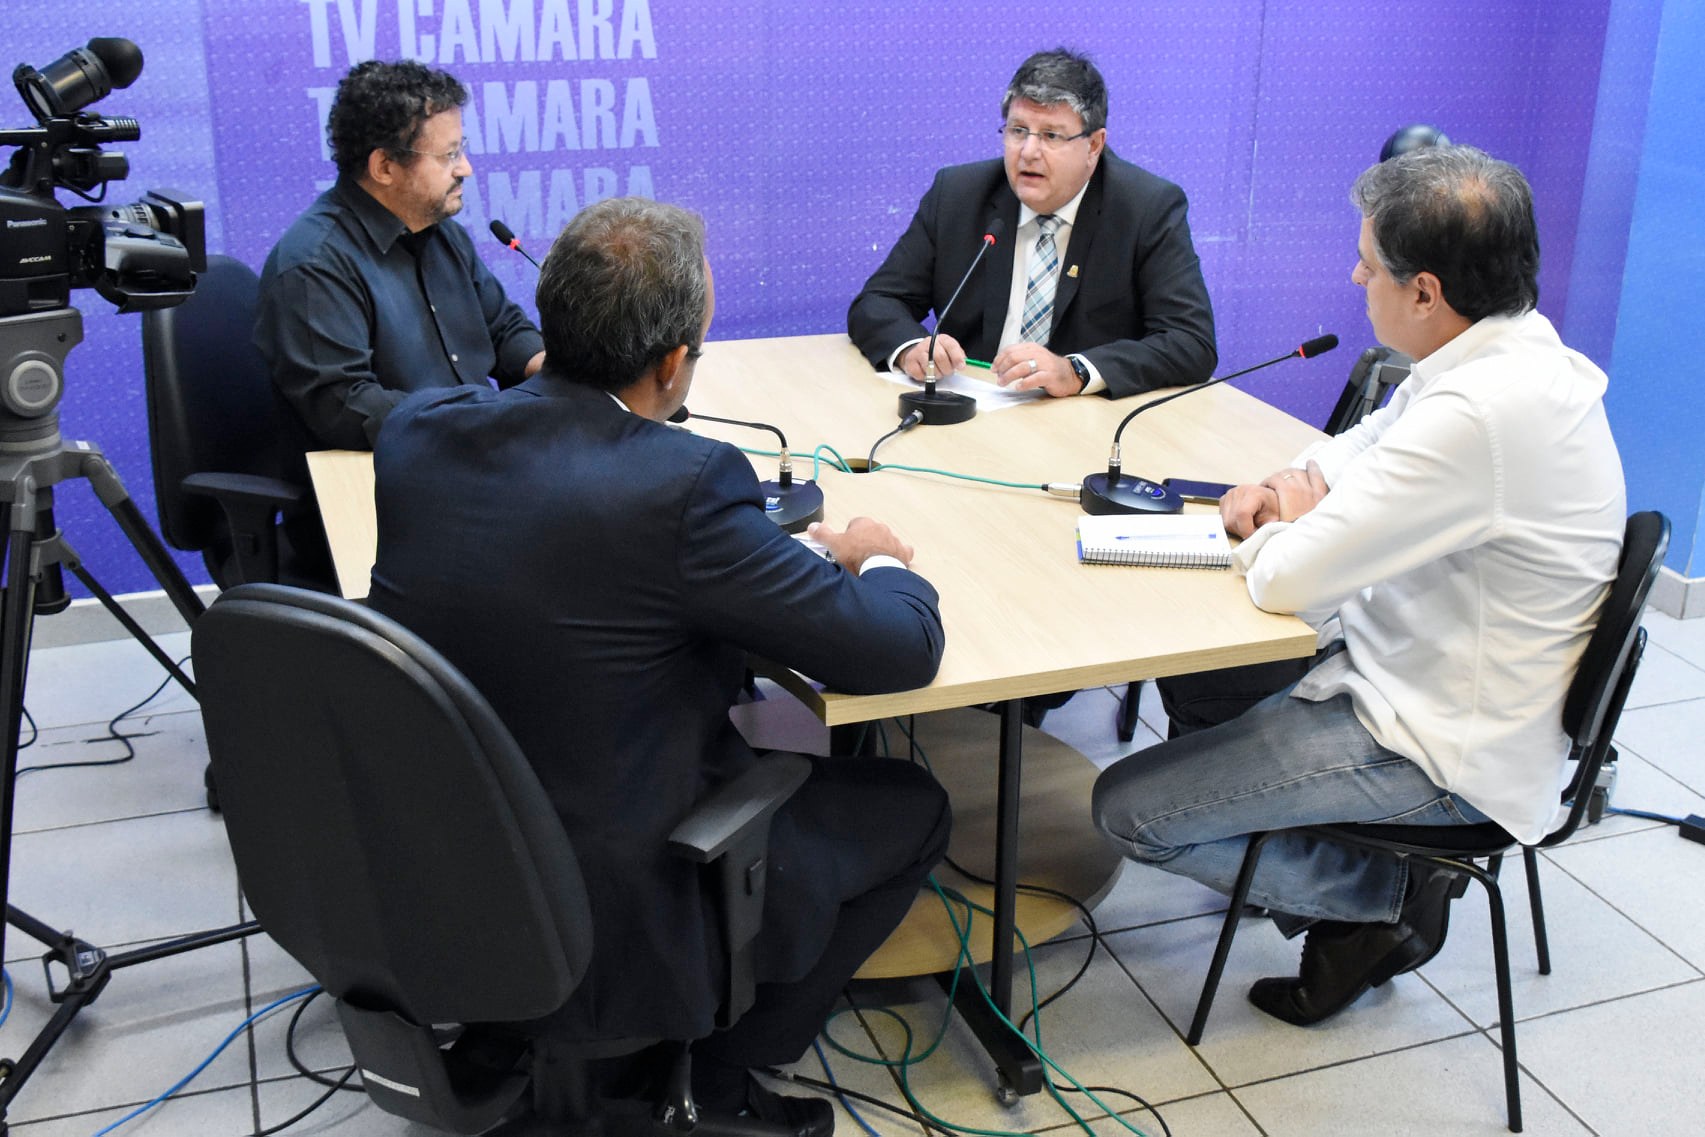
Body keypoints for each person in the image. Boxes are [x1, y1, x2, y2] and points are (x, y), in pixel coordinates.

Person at [366, 197, 951, 1134]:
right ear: (673, 364)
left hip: (447, 859)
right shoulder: (682, 486)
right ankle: (723, 1070)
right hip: (625, 891)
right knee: (913, 806)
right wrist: (875, 558)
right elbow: (899, 651)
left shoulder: (417, 433)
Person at [1092, 146, 1625, 1028]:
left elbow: (1286, 580)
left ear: (1423, 292)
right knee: (1203, 680)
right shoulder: (1501, 353)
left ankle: (1386, 895)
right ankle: (1356, 881)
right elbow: (1362, 445)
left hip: (1437, 743)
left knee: (1126, 811)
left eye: (1368, 264)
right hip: (1408, 670)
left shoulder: (1483, 413)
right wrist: (1284, 484)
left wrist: (1287, 523)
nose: (1353, 275)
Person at [847, 48, 1216, 399]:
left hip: (1085, 423)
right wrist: (912, 346)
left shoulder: (1145, 208)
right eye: (1018, 130)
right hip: (971, 411)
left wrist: (1076, 372)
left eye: (1051, 135)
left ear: (1094, 145)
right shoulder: (958, 195)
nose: (1028, 152)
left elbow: (1190, 342)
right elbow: (878, 302)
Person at [256, 59, 545, 454]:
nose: (466, 168)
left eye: (462, 150)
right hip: (384, 480)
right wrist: (478, 417)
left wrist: (550, 370)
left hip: (471, 457)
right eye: (449, 155)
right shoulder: (315, 264)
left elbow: (503, 329)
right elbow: (346, 407)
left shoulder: (444, 235)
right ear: (385, 167)